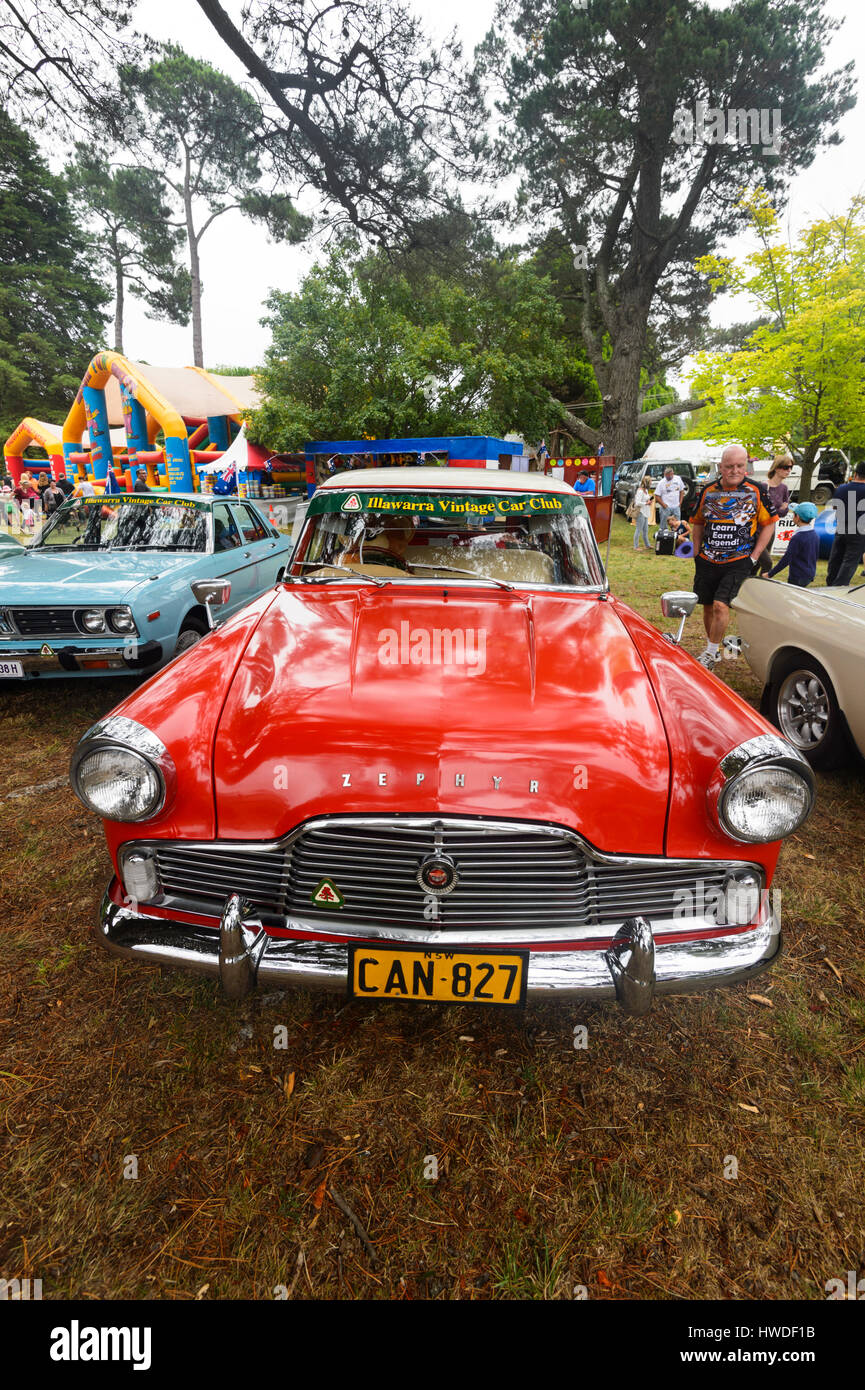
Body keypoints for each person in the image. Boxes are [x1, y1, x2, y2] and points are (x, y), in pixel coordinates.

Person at [690, 444, 777, 669]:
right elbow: (697, 522)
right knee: (707, 605)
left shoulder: (757, 490)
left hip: (739, 560)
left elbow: (768, 525)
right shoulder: (708, 491)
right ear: (721, 467)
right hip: (708, 559)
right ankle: (713, 647)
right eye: (729, 466)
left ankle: (710, 653)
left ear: (746, 465)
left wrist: (755, 556)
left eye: (740, 465)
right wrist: (697, 551)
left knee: (721, 605)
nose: (735, 470)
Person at [827, 460, 865, 586]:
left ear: (855, 474)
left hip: (842, 526)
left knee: (836, 557)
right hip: (859, 530)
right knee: (850, 560)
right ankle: (839, 586)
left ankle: (831, 582)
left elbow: (835, 507)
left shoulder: (842, 488)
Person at [756, 455, 794, 574]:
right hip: (757, 530)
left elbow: (784, 512)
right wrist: (778, 509)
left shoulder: (784, 488)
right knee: (767, 562)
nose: (789, 470)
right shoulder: (763, 486)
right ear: (777, 468)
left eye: (791, 467)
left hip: (772, 530)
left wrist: (775, 510)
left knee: (758, 563)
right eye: (786, 467)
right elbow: (759, 511)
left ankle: (754, 585)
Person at [766, 502, 819, 586]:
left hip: (798, 576)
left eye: (793, 514)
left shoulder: (798, 538)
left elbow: (787, 559)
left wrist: (770, 574)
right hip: (809, 574)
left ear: (797, 517)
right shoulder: (814, 534)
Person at [632, 481, 651, 552]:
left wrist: (649, 501)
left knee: (645, 530)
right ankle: (636, 546)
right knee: (638, 529)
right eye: (650, 482)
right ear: (646, 483)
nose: (651, 484)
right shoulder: (640, 491)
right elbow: (637, 503)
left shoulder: (646, 490)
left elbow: (646, 499)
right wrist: (646, 503)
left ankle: (647, 545)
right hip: (640, 512)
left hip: (645, 512)